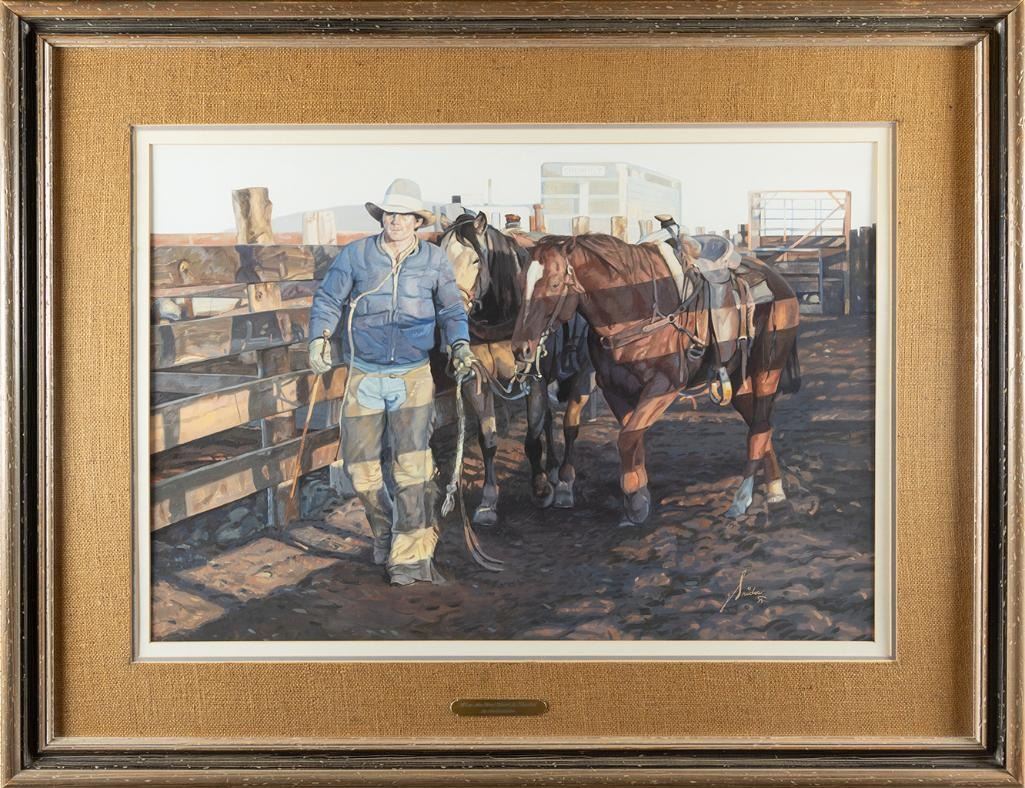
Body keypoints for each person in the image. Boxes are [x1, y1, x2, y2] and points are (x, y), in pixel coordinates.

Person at [308, 178, 477, 586]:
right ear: (381, 217)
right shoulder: (356, 255)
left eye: (404, 215)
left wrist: (459, 344)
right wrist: (319, 337)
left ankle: (409, 557)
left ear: (417, 221)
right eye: (389, 213)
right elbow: (328, 299)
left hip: (412, 374)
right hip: (364, 373)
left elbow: (451, 308)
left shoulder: (434, 260)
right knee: (360, 470)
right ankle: (384, 532)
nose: (395, 221)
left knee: (411, 468)